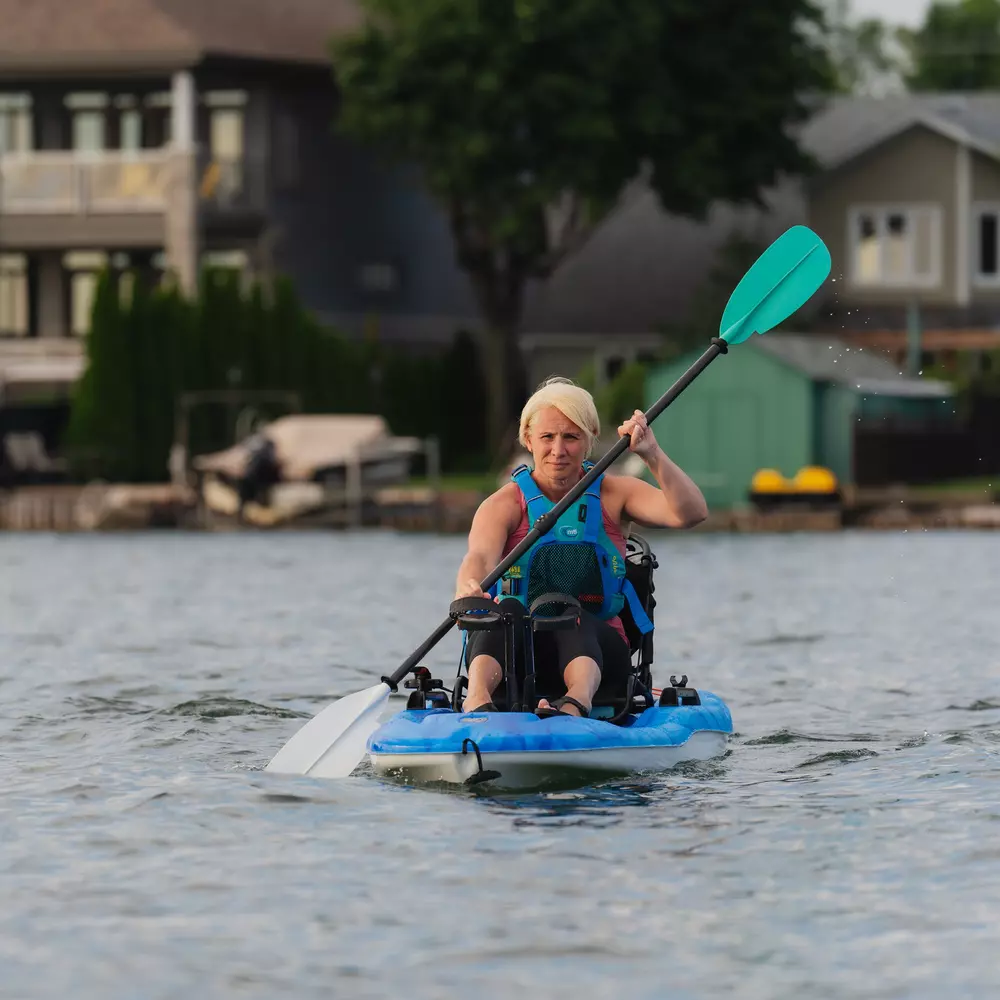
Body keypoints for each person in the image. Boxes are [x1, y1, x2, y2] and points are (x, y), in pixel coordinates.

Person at [455, 376, 708, 718]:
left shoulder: (615, 494)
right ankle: (477, 701)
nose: (558, 451)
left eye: (571, 437)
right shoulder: (502, 505)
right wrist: (469, 588)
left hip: (599, 655)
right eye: (547, 437)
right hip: (517, 659)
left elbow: (691, 513)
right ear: (528, 439)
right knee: (506, 612)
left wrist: (652, 455)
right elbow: (479, 557)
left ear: (589, 440)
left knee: (571, 614)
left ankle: (576, 703)